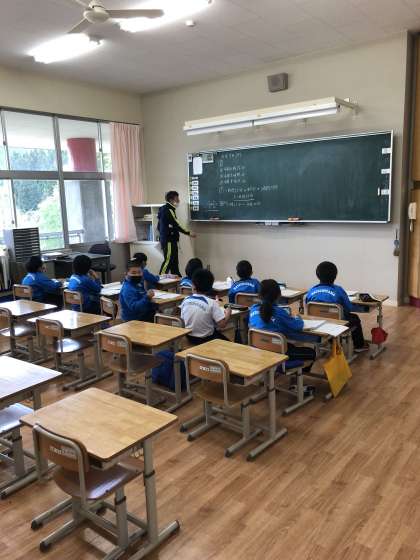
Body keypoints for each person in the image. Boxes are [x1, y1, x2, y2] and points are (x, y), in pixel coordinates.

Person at [249, 279, 317, 371]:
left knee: (291, 345)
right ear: (279, 295)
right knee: (312, 353)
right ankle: (297, 373)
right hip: (277, 355)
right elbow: (298, 326)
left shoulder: (253, 309)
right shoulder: (279, 312)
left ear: (259, 295)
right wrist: (298, 317)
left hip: (258, 351)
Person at [306, 261, 369, 352]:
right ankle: (359, 346)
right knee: (354, 317)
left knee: (330, 316)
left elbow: (308, 306)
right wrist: (363, 308)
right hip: (336, 322)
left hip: (318, 322)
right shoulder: (338, 290)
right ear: (335, 276)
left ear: (317, 275)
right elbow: (349, 308)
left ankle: (332, 342)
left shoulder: (311, 291)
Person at [180, 268, 232, 345]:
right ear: (210, 287)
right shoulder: (211, 303)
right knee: (230, 345)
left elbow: (183, 320)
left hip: (189, 337)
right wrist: (228, 312)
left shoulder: (186, 300)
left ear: (193, 286)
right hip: (207, 339)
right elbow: (222, 325)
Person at [158, 190, 196, 276]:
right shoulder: (168, 210)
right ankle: (160, 279)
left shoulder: (168, 209)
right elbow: (176, 224)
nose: (178, 201)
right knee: (168, 260)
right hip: (168, 240)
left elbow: (160, 226)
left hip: (171, 239)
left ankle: (177, 278)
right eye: (177, 199)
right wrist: (188, 232)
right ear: (171, 200)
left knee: (174, 261)